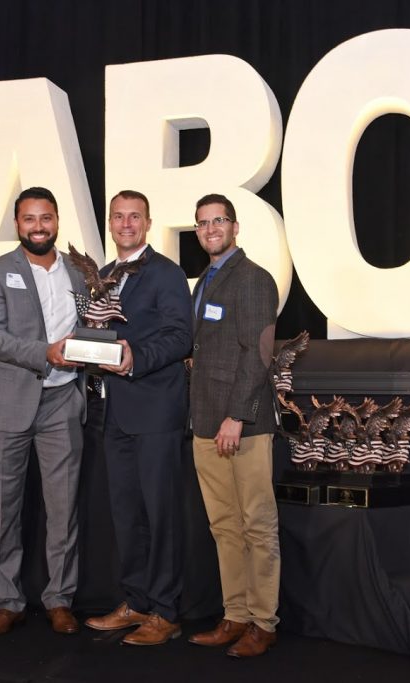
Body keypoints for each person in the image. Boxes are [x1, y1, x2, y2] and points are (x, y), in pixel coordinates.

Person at [0, 186, 89, 637]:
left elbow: (92, 325)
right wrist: (48, 352)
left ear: (57, 221)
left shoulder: (79, 273)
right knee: (4, 509)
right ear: (17, 224)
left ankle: (60, 599)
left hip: (62, 403)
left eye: (46, 218)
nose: (38, 226)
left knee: (63, 510)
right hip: (7, 403)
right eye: (29, 219)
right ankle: (8, 601)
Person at [84, 190, 193, 646]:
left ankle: (166, 612)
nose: (126, 224)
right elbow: (100, 332)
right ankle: (136, 602)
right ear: (110, 223)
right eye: (118, 217)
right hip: (115, 414)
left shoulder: (166, 273)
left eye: (134, 217)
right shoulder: (105, 275)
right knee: (127, 515)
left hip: (155, 412)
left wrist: (135, 359)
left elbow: (180, 337)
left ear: (147, 223)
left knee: (160, 514)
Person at [185, 194, 280, 657]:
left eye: (218, 220)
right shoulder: (206, 280)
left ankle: (263, 622)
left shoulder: (254, 280)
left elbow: (258, 354)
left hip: (242, 425)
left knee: (257, 525)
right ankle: (235, 614)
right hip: (205, 422)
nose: (210, 229)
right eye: (202, 223)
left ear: (235, 226)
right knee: (224, 526)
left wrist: (236, 415)